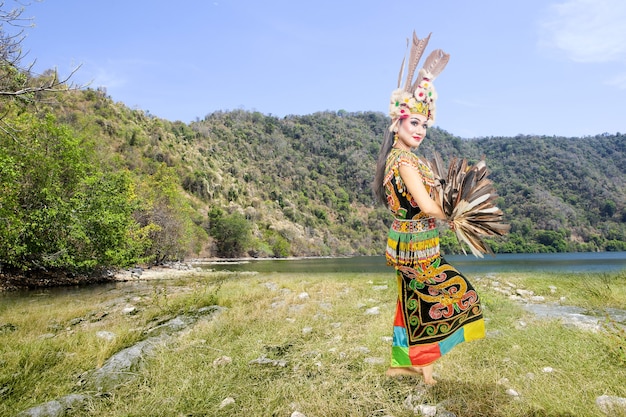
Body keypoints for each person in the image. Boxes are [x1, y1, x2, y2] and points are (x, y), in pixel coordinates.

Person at [373, 32, 485, 385]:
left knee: (410, 304)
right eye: (413, 123)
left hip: (418, 243)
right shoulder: (403, 159)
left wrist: (447, 215)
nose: (420, 130)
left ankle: (404, 365)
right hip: (412, 248)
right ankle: (423, 369)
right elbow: (423, 203)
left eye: (423, 124)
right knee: (447, 298)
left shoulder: (409, 158)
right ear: (397, 123)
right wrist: (450, 214)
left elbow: (428, 203)